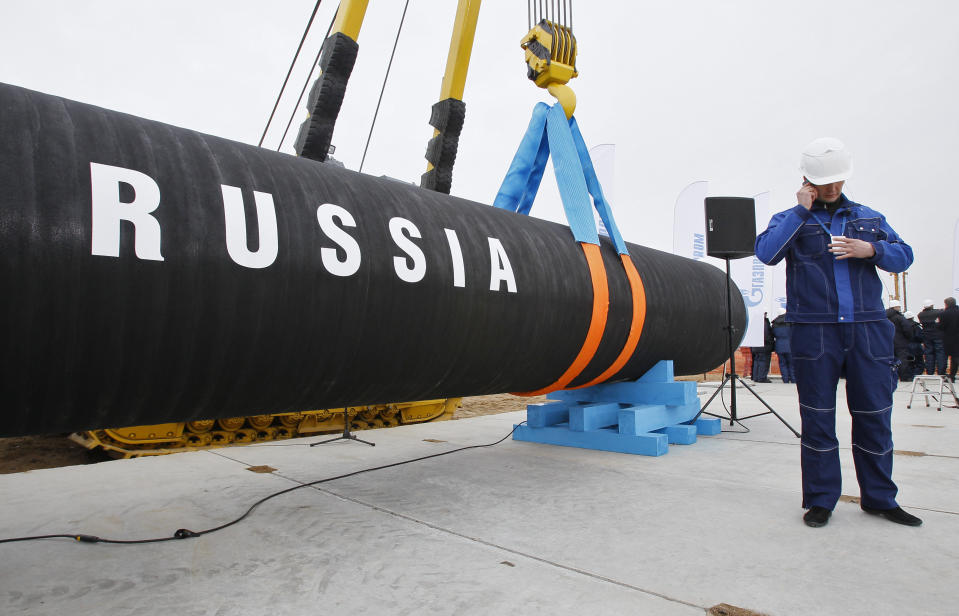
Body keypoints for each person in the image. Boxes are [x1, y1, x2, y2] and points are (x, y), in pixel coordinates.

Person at [755, 137, 921, 528]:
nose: (832, 189)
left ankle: (880, 498)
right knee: (817, 416)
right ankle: (821, 499)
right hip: (815, 332)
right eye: (824, 183)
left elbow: (905, 255)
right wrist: (800, 210)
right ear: (807, 180)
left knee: (874, 415)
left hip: (868, 329)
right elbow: (767, 253)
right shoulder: (790, 218)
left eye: (837, 182)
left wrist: (872, 251)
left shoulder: (870, 219)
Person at [918, 299, 947, 375]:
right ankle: (941, 372)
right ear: (932, 305)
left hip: (927, 336)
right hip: (938, 336)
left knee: (929, 354)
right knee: (940, 353)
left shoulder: (920, 315)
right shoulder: (939, 312)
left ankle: (930, 371)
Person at [888, 304, 914, 382]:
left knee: (890, 360)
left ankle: (892, 376)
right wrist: (908, 338)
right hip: (900, 342)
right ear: (896, 307)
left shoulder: (885, 317)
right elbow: (907, 329)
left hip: (888, 342)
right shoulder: (899, 317)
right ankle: (904, 377)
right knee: (902, 359)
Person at [771, 308, 795, 383]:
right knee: (791, 363)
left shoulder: (774, 323)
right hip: (789, 346)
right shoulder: (790, 322)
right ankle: (793, 379)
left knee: (782, 363)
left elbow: (772, 335)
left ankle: (785, 379)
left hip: (779, 346)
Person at [750, 313, 774, 382]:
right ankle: (761, 377)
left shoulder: (754, 322)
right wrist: (771, 342)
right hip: (763, 346)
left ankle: (756, 377)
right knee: (763, 361)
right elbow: (766, 336)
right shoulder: (763, 323)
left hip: (755, 346)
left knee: (757, 361)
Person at [940, 297, 959, 383]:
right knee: (955, 357)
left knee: (954, 358)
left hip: (950, 338)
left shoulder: (944, 314)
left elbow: (941, 327)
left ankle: (952, 376)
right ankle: (952, 376)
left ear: (946, 304)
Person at [903, 310, 926, 377]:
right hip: (916, 346)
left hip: (906, 346)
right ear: (913, 317)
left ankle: (910, 375)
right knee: (919, 362)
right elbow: (920, 337)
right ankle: (916, 374)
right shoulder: (916, 326)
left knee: (909, 362)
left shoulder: (903, 326)